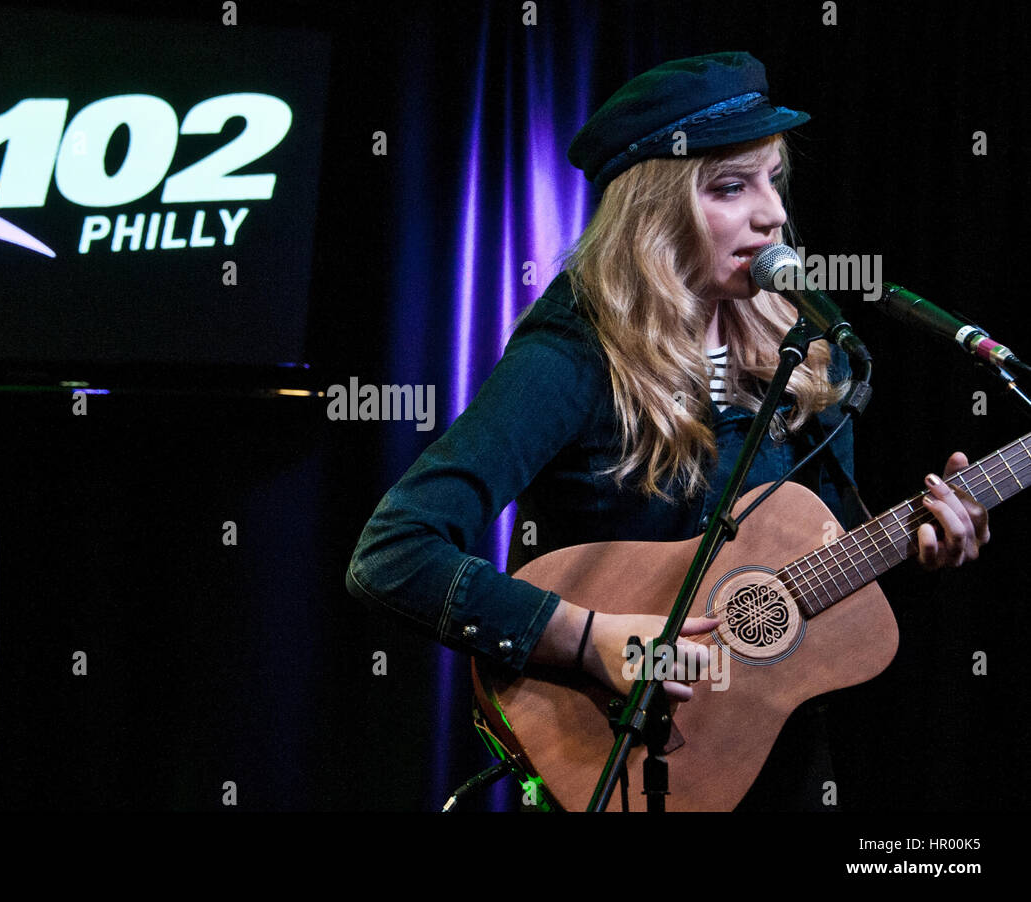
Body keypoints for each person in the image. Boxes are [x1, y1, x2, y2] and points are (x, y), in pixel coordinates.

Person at [345, 51, 991, 810]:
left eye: (772, 178)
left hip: (770, 763)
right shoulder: (574, 353)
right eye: (730, 186)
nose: (772, 212)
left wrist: (922, 552)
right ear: (654, 210)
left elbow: (822, 578)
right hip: (626, 759)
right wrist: (594, 639)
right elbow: (391, 556)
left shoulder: (807, 350)